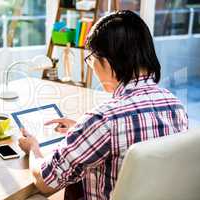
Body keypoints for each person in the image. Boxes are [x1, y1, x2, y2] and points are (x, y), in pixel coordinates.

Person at [18, 10, 188, 200]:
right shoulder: (175, 106)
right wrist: (81, 131)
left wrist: (33, 147)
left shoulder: (104, 119)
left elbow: (45, 181)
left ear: (106, 63)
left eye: (90, 60)